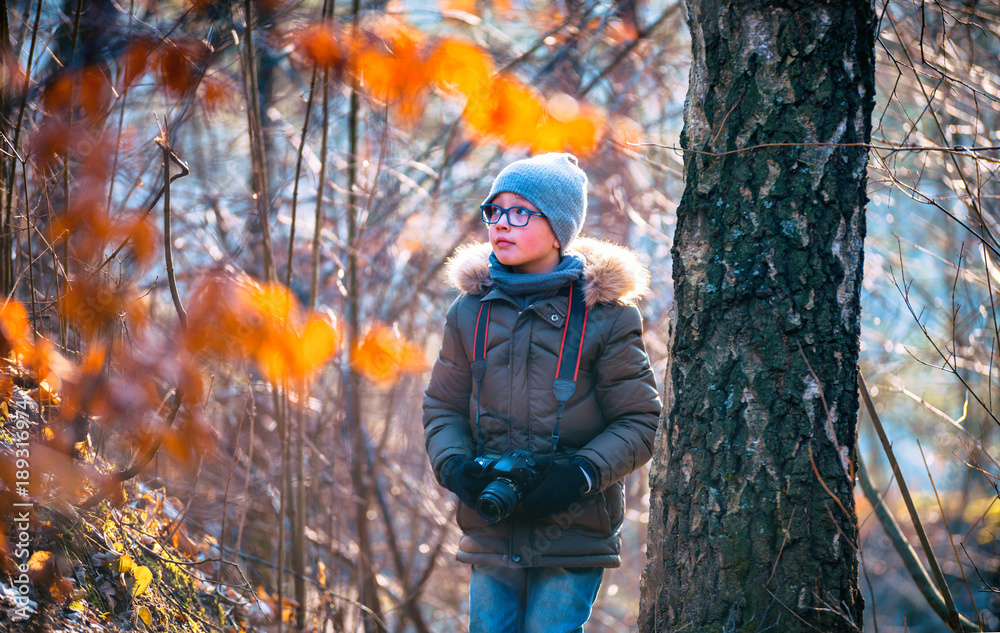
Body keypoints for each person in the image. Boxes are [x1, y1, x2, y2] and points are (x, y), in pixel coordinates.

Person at [422, 152, 662, 633]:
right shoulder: (468, 312)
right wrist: (456, 467)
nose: (500, 224)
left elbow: (640, 421)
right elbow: (442, 407)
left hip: (572, 527)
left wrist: (578, 476)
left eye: (519, 212)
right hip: (491, 522)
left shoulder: (607, 315)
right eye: (494, 210)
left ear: (557, 229)